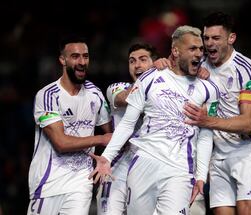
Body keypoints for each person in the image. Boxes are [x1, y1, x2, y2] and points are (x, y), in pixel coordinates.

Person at [89, 25, 219, 215]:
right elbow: (127, 123)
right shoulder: (150, 78)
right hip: (143, 162)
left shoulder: (209, 89)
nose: (199, 54)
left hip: (180, 169)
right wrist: (106, 157)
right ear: (175, 51)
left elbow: (206, 135)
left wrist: (201, 176)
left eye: (200, 49)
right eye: (192, 49)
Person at [183, 12, 251, 215]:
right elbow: (175, 63)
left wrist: (207, 121)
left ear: (231, 38)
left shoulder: (247, 70)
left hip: (248, 152)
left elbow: (249, 124)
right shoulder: (199, 64)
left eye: (216, 38)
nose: (209, 44)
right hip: (218, 156)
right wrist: (160, 63)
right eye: (206, 38)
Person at [27, 35, 112, 215]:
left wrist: (106, 158)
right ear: (62, 60)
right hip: (47, 183)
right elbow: (61, 143)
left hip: (81, 181)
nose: (82, 62)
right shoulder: (48, 95)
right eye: (75, 56)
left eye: (85, 56)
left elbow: (112, 134)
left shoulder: (95, 94)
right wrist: (102, 139)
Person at [96, 42, 158, 214]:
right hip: (118, 168)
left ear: (155, 62)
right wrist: (153, 78)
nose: (137, 65)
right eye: (132, 61)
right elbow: (123, 98)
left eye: (143, 60)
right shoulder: (117, 88)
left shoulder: (166, 91)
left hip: (150, 167)